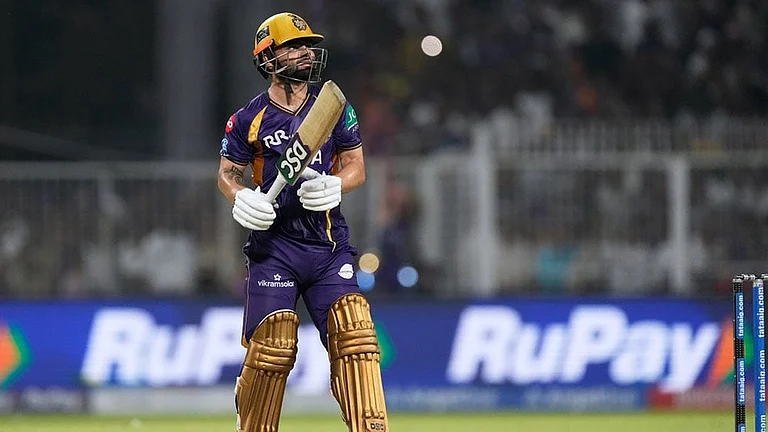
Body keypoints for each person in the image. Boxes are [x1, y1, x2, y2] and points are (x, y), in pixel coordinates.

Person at [216, 12, 389, 432]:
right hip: (274, 249)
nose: (306, 52)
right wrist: (241, 199)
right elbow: (227, 173)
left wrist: (336, 184)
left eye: (307, 45)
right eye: (294, 46)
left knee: (356, 335)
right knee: (274, 343)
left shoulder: (333, 108)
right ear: (268, 58)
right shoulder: (248, 120)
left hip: (328, 245)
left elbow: (356, 166)